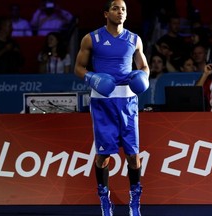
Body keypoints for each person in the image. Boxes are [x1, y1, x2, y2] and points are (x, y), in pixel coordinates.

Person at [74, 1, 150, 215]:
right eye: (116, 8)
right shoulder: (92, 38)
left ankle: (135, 201)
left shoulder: (134, 39)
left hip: (127, 101)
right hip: (102, 102)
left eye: (124, 9)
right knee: (103, 156)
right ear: (106, 13)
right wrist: (92, 77)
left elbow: (143, 66)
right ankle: (104, 199)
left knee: (133, 155)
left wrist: (143, 76)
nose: (120, 12)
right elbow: (78, 68)